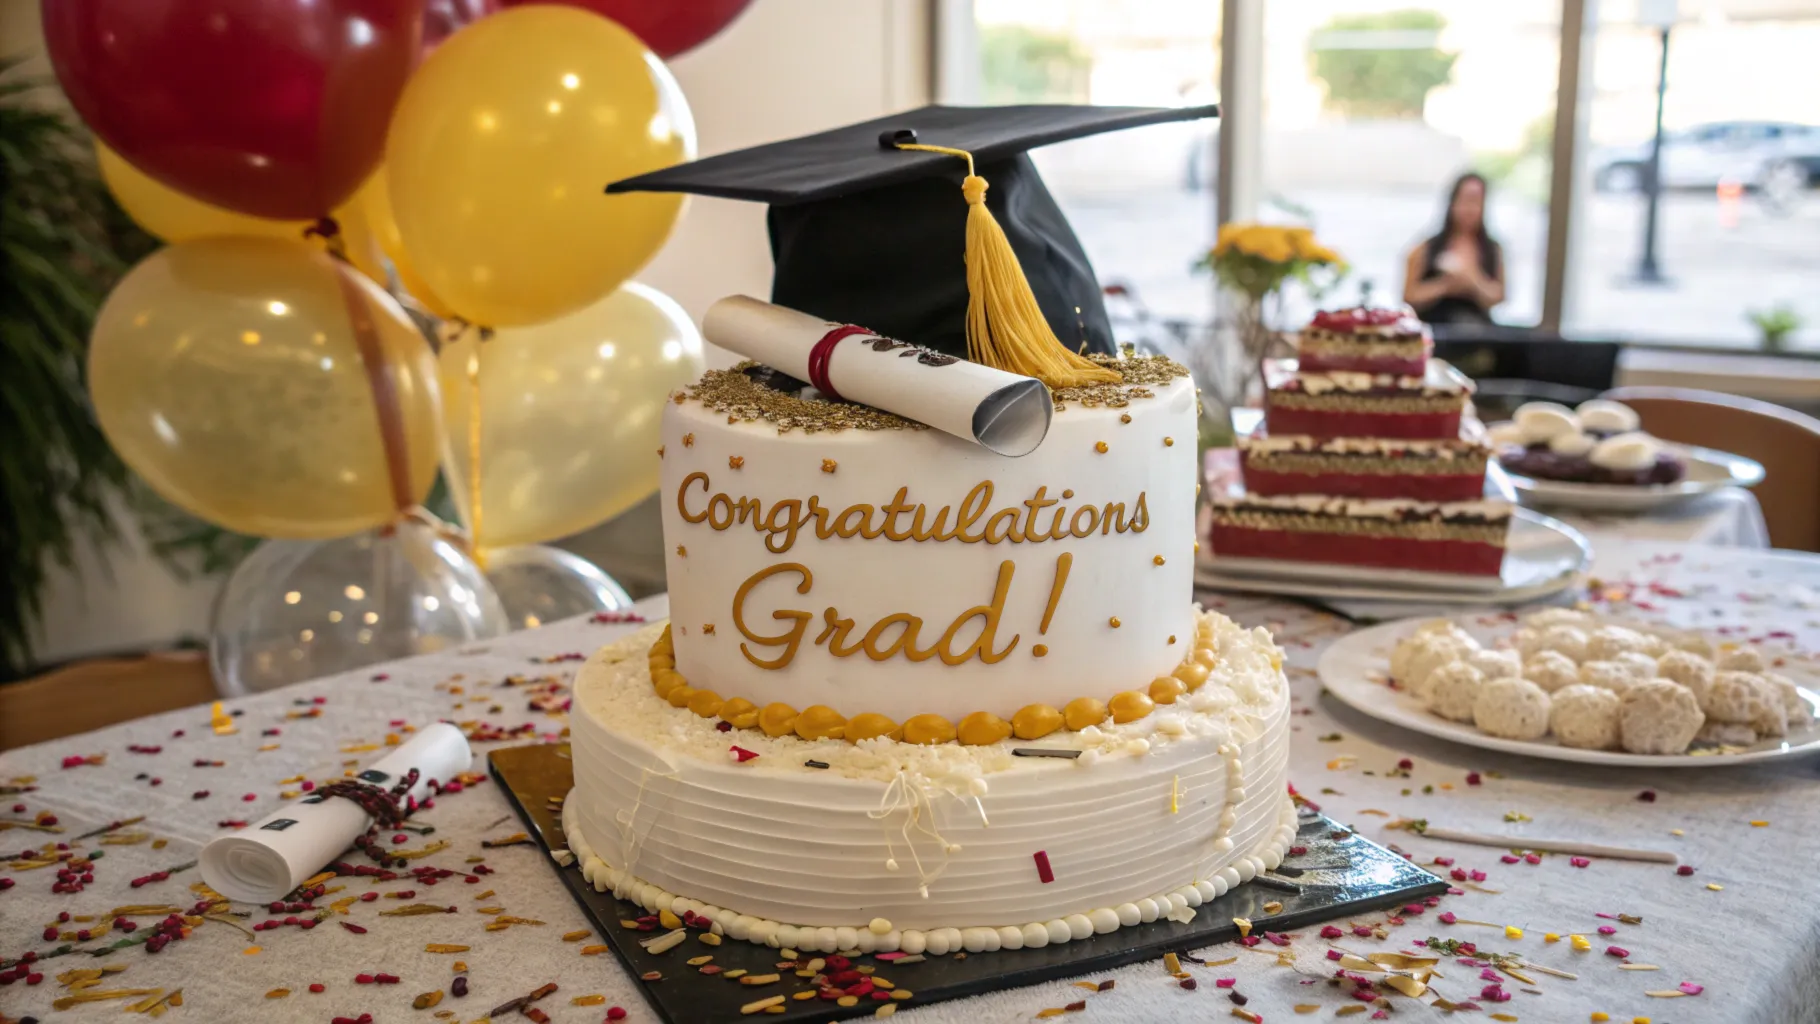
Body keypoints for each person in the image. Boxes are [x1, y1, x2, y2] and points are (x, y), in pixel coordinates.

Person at [1403, 172, 1505, 326]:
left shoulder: (1493, 249)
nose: (1470, 209)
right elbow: (1409, 295)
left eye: (1476, 201)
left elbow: (1499, 296)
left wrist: (1472, 280)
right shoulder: (1427, 248)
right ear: (1452, 202)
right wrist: (1445, 286)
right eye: (1465, 200)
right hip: (1436, 328)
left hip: (1477, 329)